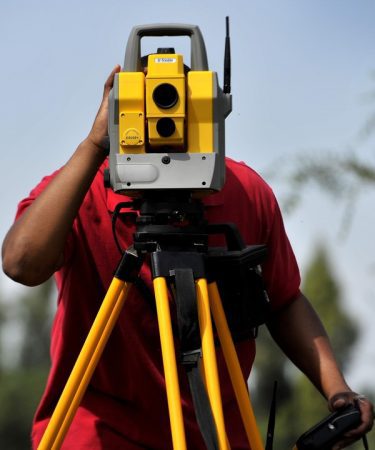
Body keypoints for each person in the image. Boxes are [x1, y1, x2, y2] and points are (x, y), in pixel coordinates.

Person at [2, 65, 373, 450]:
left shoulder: (244, 192)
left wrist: (337, 390)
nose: (168, 122)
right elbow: (21, 263)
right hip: (99, 435)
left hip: (215, 435)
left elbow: (282, 298)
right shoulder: (82, 192)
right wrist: (95, 145)